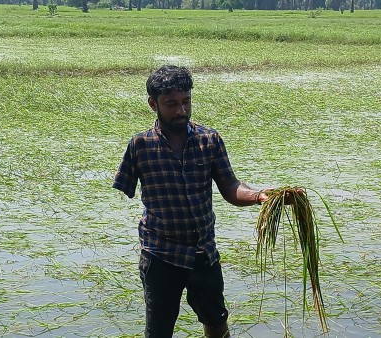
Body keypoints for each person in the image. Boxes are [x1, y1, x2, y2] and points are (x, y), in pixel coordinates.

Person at [113, 65, 301, 337]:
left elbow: (230, 186)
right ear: (153, 104)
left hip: (203, 252)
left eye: (186, 101)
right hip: (160, 255)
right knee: (158, 329)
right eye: (171, 104)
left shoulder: (209, 140)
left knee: (215, 319)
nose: (181, 111)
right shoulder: (140, 146)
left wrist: (261, 196)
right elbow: (125, 188)